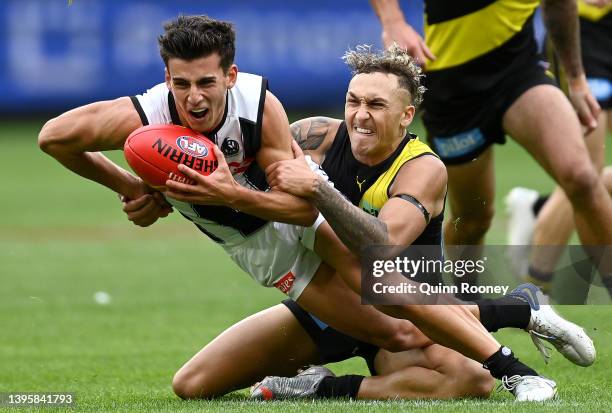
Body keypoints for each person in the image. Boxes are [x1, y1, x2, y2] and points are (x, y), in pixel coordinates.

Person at [37, 15, 588, 402]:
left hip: (306, 224)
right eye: (182, 85)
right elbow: (54, 138)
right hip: (261, 251)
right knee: (192, 386)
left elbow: (302, 212)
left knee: (393, 299)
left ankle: (514, 366)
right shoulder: (149, 116)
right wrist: (131, 186)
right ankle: (515, 310)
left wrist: (233, 194)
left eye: (207, 82)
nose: (195, 98)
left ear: (230, 76)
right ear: (166, 80)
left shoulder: (261, 107)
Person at [368, 0, 612, 293]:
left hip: (518, 67)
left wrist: (576, 79)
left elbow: (559, 5)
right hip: (453, 85)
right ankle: (464, 308)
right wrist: (392, 20)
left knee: (582, 177)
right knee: (472, 218)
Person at [505, 0, 612, 295]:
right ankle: (535, 289)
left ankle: (538, 208)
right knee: (582, 171)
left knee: (591, 176)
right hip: (584, 32)